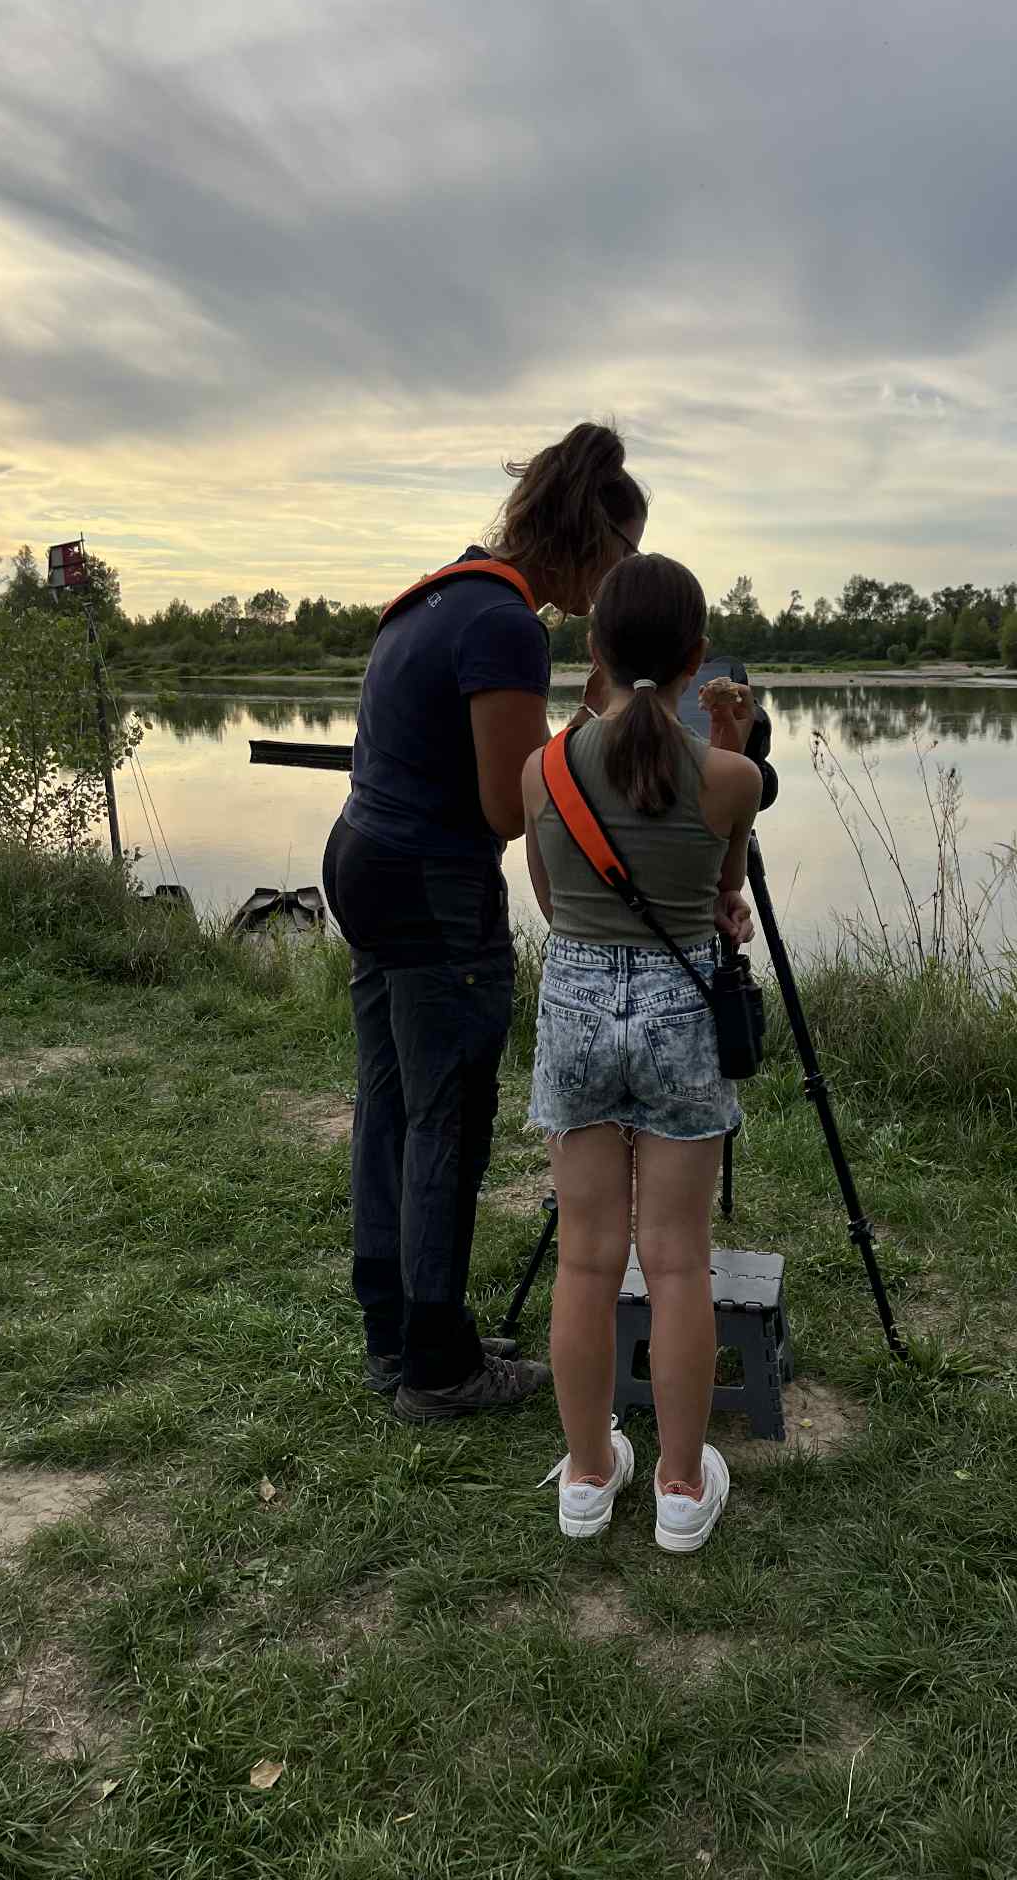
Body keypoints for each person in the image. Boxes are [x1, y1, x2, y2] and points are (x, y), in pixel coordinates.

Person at [322, 422, 648, 1423]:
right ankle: (437, 1366)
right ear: (590, 535)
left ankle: (404, 1326)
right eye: (625, 553)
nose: (623, 579)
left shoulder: (440, 594)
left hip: (365, 860)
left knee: (390, 1103)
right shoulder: (505, 625)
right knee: (448, 1121)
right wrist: (597, 723)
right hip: (431, 885)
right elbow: (512, 805)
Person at [522, 554, 763, 1552]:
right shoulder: (733, 778)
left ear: (594, 650)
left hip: (576, 998)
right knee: (676, 1263)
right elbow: (723, 895)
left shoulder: (541, 767)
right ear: (697, 658)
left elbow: (549, 902)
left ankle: (587, 1475)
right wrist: (735, 739)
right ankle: (676, 1485)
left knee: (584, 1260)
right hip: (679, 1012)